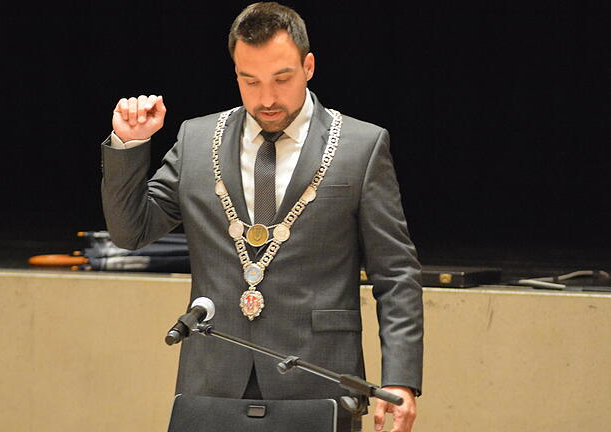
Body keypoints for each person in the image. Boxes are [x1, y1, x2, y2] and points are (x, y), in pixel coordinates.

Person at [100, 3, 423, 431]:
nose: (266, 98)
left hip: (317, 376)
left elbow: (395, 273)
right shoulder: (196, 139)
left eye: (281, 78)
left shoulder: (360, 147)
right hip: (213, 376)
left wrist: (401, 379)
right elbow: (131, 231)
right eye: (248, 80)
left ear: (308, 66)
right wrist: (128, 146)